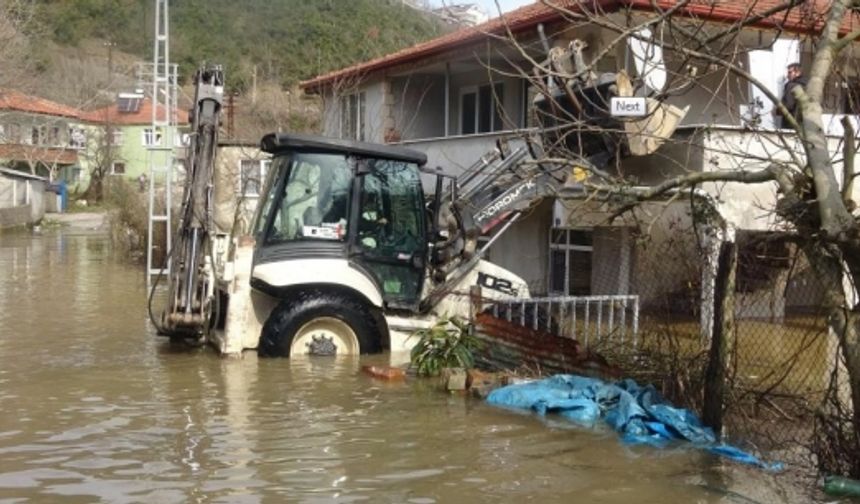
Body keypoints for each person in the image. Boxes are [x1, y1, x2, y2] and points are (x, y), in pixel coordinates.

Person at [776, 63, 807, 129]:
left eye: (790, 72)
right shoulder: (807, 85)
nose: (787, 76)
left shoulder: (791, 86)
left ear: (798, 73)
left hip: (791, 123)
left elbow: (788, 105)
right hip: (804, 123)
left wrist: (777, 110)